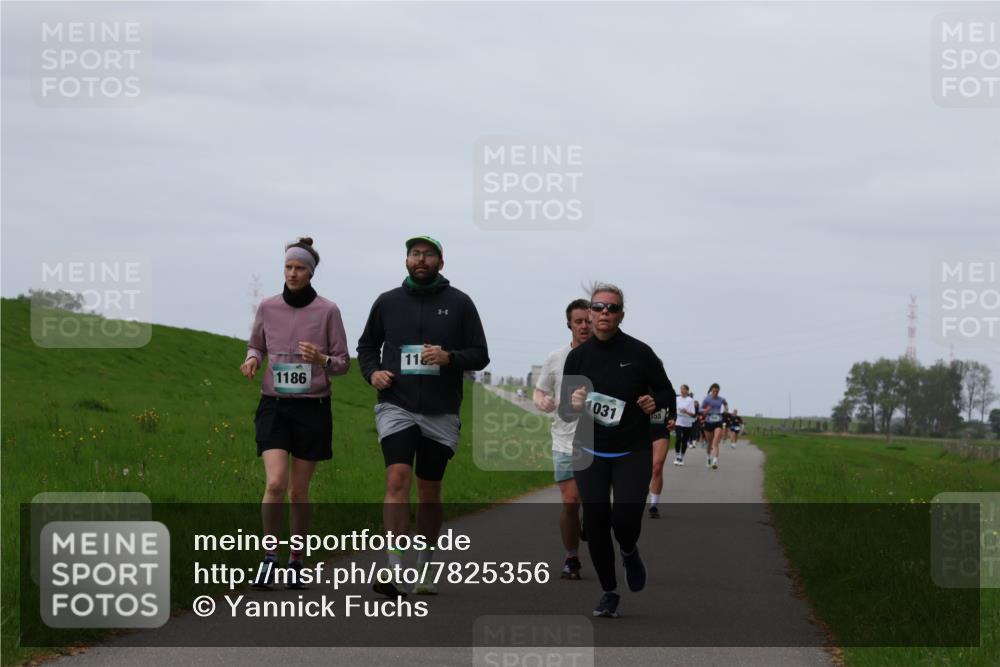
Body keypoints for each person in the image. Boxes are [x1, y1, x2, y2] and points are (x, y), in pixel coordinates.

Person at [357, 235, 489, 597]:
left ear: (440, 263)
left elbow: (480, 354)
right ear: (406, 260)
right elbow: (367, 346)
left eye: (428, 255)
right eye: (415, 254)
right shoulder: (387, 302)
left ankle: (424, 568)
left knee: (429, 491)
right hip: (395, 404)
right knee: (397, 480)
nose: (421, 260)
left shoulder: (460, 303)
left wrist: (450, 358)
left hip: (441, 411)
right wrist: (373, 373)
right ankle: (395, 568)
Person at [559, 283, 676, 618]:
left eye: (612, 308)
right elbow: (567, 412)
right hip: (589, 450)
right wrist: (574, 402)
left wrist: (654, 404)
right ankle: (609, 591)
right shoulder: (578, 357)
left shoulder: (640, 353)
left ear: (621, 315)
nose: (604, 313)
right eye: (598, 307)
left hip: (631, 450)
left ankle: (628, 549)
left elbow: (666, 394)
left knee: (624, 521)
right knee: (595, 522)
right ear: (590, 313)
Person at [241, 237, 350, 589]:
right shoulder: (268, 307)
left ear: (311, 272)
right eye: (288, 267)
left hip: (312, 408)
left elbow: (343, 364)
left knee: (297, 492)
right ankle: (270, 558)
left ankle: (297, 561)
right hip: (274, 404)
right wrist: (253, 358)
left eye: (300, 267)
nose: (292, 273)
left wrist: (322, 360)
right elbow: (256, 342)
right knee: (274, 482)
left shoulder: (328, 310)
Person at [533, 299, 592, 579]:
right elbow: (539, 390)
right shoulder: (556, 358)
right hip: (564, 440)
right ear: (569, 324)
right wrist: (541, 400)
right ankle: (571, 558)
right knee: (571, 500)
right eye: (579, 321)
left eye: (588, 320)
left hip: (600, 441)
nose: (584, 326)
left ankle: (591, 520)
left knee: (594, 502)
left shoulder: (607, 356)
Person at [646, 403, 672, 519]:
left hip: (660, 431)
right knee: (641, 470)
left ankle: (653, 505)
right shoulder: (637, 386)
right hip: (639, 432)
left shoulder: (665, 388)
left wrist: (673, 419)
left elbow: (673, 409)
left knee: (657, 467)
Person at [701, 383, 729, 470]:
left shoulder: (721, 399)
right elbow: (700, 409)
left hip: (718, 421)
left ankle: (715, 461)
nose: (715, 393)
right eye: (714, 391)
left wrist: (725, 408)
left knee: (715, 442)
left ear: (719, 391)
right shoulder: (707, 399)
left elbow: (725, 403)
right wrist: (705, 410)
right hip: (708, 422)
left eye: (717, 391)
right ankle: (709, 457)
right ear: (711, 391)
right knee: (709, 443)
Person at [673, 384, 696, 466]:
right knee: (678, 437)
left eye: (684, 389)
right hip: (678, 421)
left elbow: (693, 414)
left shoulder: (690, 400)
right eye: (681, 389)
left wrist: (686, 411)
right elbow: (673, 409)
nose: (682, 391)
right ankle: (677, 456)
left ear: (687, 391)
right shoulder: (677, 399)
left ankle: (682, 457)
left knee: (684, 440)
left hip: (687, 423)